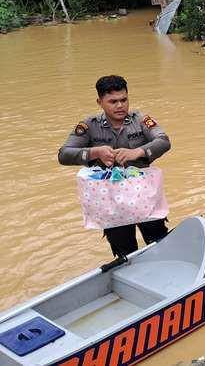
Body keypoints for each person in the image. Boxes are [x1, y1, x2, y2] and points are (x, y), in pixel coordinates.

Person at [58, 75, 171, 258]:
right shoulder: (89, 125)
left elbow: (164, 141)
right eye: (113, 101)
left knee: (159, 239)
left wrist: (139, 152)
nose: (120, 106)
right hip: (111, 202)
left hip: (144, 196)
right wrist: (95, 152)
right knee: (124, 252)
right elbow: (63, 154)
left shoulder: (140, 120)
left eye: (124, 100)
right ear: (99, 102)